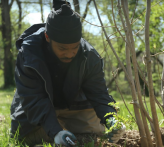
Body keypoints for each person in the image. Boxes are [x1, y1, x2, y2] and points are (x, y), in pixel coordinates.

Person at [10, 0, 125, 146]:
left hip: (73, 104)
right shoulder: (29, 54)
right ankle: (57, 130)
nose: (70, 54)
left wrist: (111, 120)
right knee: (26, 138)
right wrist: (56, 132)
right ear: (47, 38)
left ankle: (61, 128)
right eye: (63, 48)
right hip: (36, 107)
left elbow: (99, 93)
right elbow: (34, 100)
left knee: (98, 130)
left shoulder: (89, 55)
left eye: (75, 47)